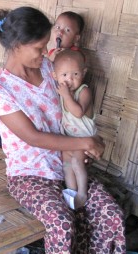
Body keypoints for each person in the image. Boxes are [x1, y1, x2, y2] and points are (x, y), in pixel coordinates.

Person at [0, 6, 125, 253]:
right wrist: (85, 143)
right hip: (29, 175)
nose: (44, 54)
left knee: (109, 213)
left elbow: (73, 113)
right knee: (62, 223)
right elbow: (33, 137)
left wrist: (87, 139)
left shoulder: (50, 70)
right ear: (17, 45)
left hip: (65, 163)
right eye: (39, 48)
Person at [53, 50, 96, 210]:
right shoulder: (64, 92)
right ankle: (71, 191)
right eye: (64, 75)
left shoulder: (83, 91)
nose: (69, 79)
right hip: (69, 140)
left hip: (84, 141)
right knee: (67, 165)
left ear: (83, 73)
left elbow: (78, 112)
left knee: (77, 163)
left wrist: (66, 96)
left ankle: (82, 194)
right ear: (55, 76)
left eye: (75, 74)